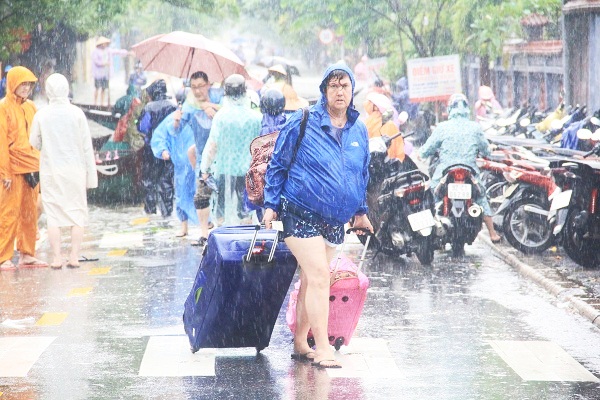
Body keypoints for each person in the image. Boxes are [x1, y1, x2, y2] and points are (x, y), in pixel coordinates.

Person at [263, 63, 373, 369]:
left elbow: (360, 174)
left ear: (352, 92)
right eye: (334, 86)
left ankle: (300, 343)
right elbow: (278, 164)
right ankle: (322, 347)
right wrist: (271, 205)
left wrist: (361, 212)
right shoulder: (302, 121)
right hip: (300, 212)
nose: (340, 92)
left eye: (345, 86)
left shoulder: (359, 130)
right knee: (320, 277)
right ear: (324, 90)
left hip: (334, 218)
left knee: (312, 280)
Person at [29, 73, 98, 269]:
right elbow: (86, 147)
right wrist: (90, 176)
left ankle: (57, 257)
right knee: (77, 213)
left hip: (51, 171)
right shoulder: (77, 114)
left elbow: (33, 142)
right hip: (75, 170)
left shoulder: (41, 114)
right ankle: (74, 256)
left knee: (54, 215)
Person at [418, 93, 502, 243]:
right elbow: (486, 150)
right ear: (466, 109)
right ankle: (492, 233)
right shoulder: (475, 127)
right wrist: (489, 152)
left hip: (445, 171)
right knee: (482, 197)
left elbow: (427, 149)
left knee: (431, 195)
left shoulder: (442, 127)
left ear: (450, 109)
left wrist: (420, 153)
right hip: (469, 171)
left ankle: (425, 233)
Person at [0, 66, 48, 270]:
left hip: (31, 166)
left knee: (30, 212)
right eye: (23, 84)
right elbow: (1, 143)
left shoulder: (31, 107)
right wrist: (5, 172)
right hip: (12, 168)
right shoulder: (3, 108)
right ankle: (4, 256)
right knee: (9, 213)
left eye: (29, 84)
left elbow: (39, 138)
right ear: (13, 84)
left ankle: (27, 253)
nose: (26, 87)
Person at [200, 74, 261, 226]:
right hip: (247, 171)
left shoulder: (221, 117)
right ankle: (245, 242)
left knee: (221, 211)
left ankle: (224, 240)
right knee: (245, 211)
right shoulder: (256, 118)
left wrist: (205, 168)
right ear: (245, 93)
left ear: (226, 94)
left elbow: (212, 145)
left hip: (224, 169)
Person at [171, 71, 222, 246]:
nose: (198, 91)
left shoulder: (219, 97)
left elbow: (229, 112)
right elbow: (176, 131)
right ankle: (204, 233)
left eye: (201, 86)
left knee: (222, 194)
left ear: (208, 84)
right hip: (202, 156)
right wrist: (176, 121)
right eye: (193, 87)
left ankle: (222, 229)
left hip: (221, 154)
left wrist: (212, 107)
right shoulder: (189, 105)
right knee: (201, 195)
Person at [137, 79, 177, 221]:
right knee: (166, 180)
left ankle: (151, 210)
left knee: (149, 179)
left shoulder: (149, 107)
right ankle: (167, 213)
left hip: (150, 149)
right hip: (169, 150)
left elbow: (143, 127)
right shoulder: (173, 106)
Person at [363, 92, 412, 161]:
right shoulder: (389, 125)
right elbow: (397, 149)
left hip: (371, 162)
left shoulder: (365, 123)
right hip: (387, 163)